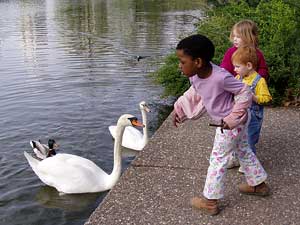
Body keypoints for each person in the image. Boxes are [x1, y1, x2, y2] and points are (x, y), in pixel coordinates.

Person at [173, 34, 270, 215]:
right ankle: (259, 185)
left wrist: (233, 118)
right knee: (243, 150)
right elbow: (195, 92)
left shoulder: (220, 77)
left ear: (198, 61)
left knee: (217, 160)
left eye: (182, 61)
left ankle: (210, 202)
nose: (179, 65)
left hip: (230, 124)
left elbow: (245, 92)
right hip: (232, 123)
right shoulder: (195, 76)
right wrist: (180, 109)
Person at [232, 46, 272, 156]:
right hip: (239, 113)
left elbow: (267, 98)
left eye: (237, 66)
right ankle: (236, 158)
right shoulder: (238, 78)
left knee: (249, 140)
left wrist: (254, 97)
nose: (235, 69)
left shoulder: (259, 81)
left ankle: (250, 162)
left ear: (249, 66)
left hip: (253, 116)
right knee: (236, 137)